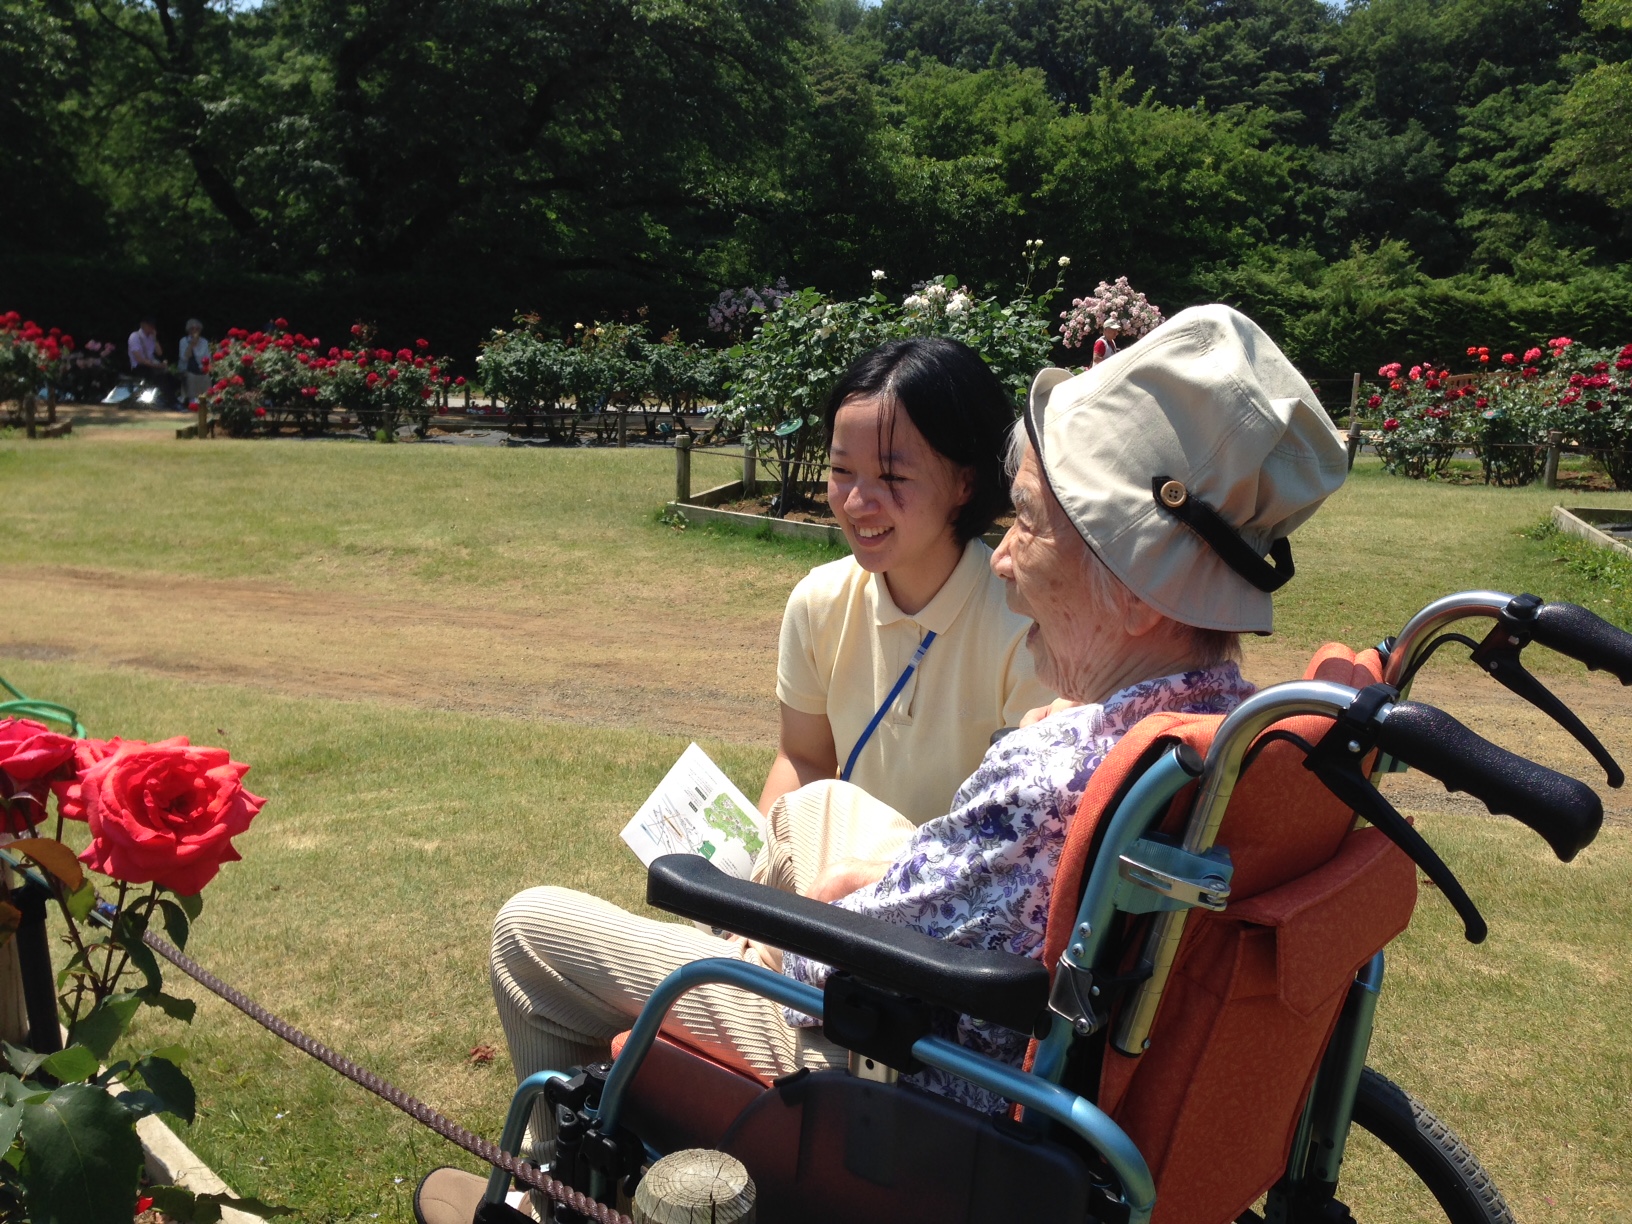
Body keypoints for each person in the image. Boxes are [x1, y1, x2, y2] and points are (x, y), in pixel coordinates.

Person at [442, 305, 1345, 1221]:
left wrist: (760, 937)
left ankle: (549, 1190)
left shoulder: (1053, 764)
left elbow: (820, 978)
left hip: (909, 1068)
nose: (1004, 562)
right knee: (818, 806)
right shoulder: (1230, 728)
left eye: (1028, 522)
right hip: (1006, 1011)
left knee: (530, 928)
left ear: (1143, 589)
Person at [759, 338, 1053, 827]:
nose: (855, 503)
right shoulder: (818, 602)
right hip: (832, 897)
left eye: (891, 476)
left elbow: (1017, 831)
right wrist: (757, 874)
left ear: (966, 482)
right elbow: (802, 759)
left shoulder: (1029, 627)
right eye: (840, 470)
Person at [126, 316, 177, 406]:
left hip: (151, 365)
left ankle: (169, 400)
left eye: (152, 326)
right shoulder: (134, 336)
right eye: (149, 325)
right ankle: (171, 402)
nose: (151, 327)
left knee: (171, 377)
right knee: (160, 377)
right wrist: (158, 366)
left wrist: (155, 339)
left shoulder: (151, 338)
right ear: (143, 325)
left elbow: (159, 353)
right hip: (139, 367)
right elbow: (139, 359)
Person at [178, 319, 211, 405]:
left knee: (206, 376)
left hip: (200, 367)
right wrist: (191, 345)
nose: (194, 331)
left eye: (197, 329)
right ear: (188, 330)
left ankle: (206, 398)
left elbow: (207, 357)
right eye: (192, 328)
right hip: (186, 367)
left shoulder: (204, 342)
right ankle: (192, 399)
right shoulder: (183, 341)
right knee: (191, 376)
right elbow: (184, 358)